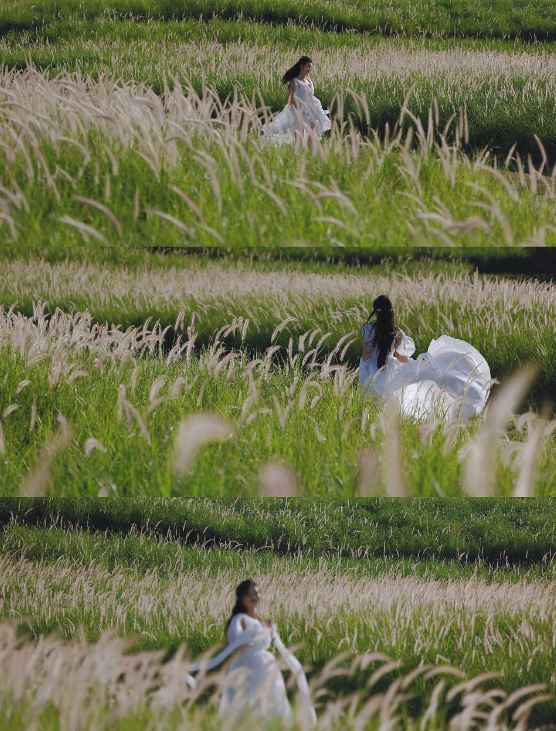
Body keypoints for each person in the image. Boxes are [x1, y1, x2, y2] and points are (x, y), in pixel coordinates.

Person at [186, 580, 316, 726]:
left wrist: (270, 632)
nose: (255, 596)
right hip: (248, 667)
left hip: (266, 667)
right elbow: (235, 644)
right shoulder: (239, 619)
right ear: (241, 598)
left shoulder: (259, 620)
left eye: (257, 593)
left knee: (271, 702)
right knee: (249, 702)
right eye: (250, 594)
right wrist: (250, 637)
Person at [359, 295, 492, 419]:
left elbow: (366, 354)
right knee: (392, 395)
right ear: (392, 311)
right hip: (391, 369)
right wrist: (413, 364)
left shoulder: (367, 329)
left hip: (371, 367)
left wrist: (366, 368)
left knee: (373, 396)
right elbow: (401, 357)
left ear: (376, 312)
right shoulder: (397, 333)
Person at [262, 56, 331, 144]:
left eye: (311, 67)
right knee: (299, 138)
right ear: (301, 66)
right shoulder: (294, 82)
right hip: (297, 112)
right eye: (308, 66)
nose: (309, 69)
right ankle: (296, 153)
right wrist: (302, 110)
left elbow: (310, 96)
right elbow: (291, 100)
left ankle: (310, 153)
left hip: (310, 111)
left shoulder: (309, 81)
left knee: (312, 135)